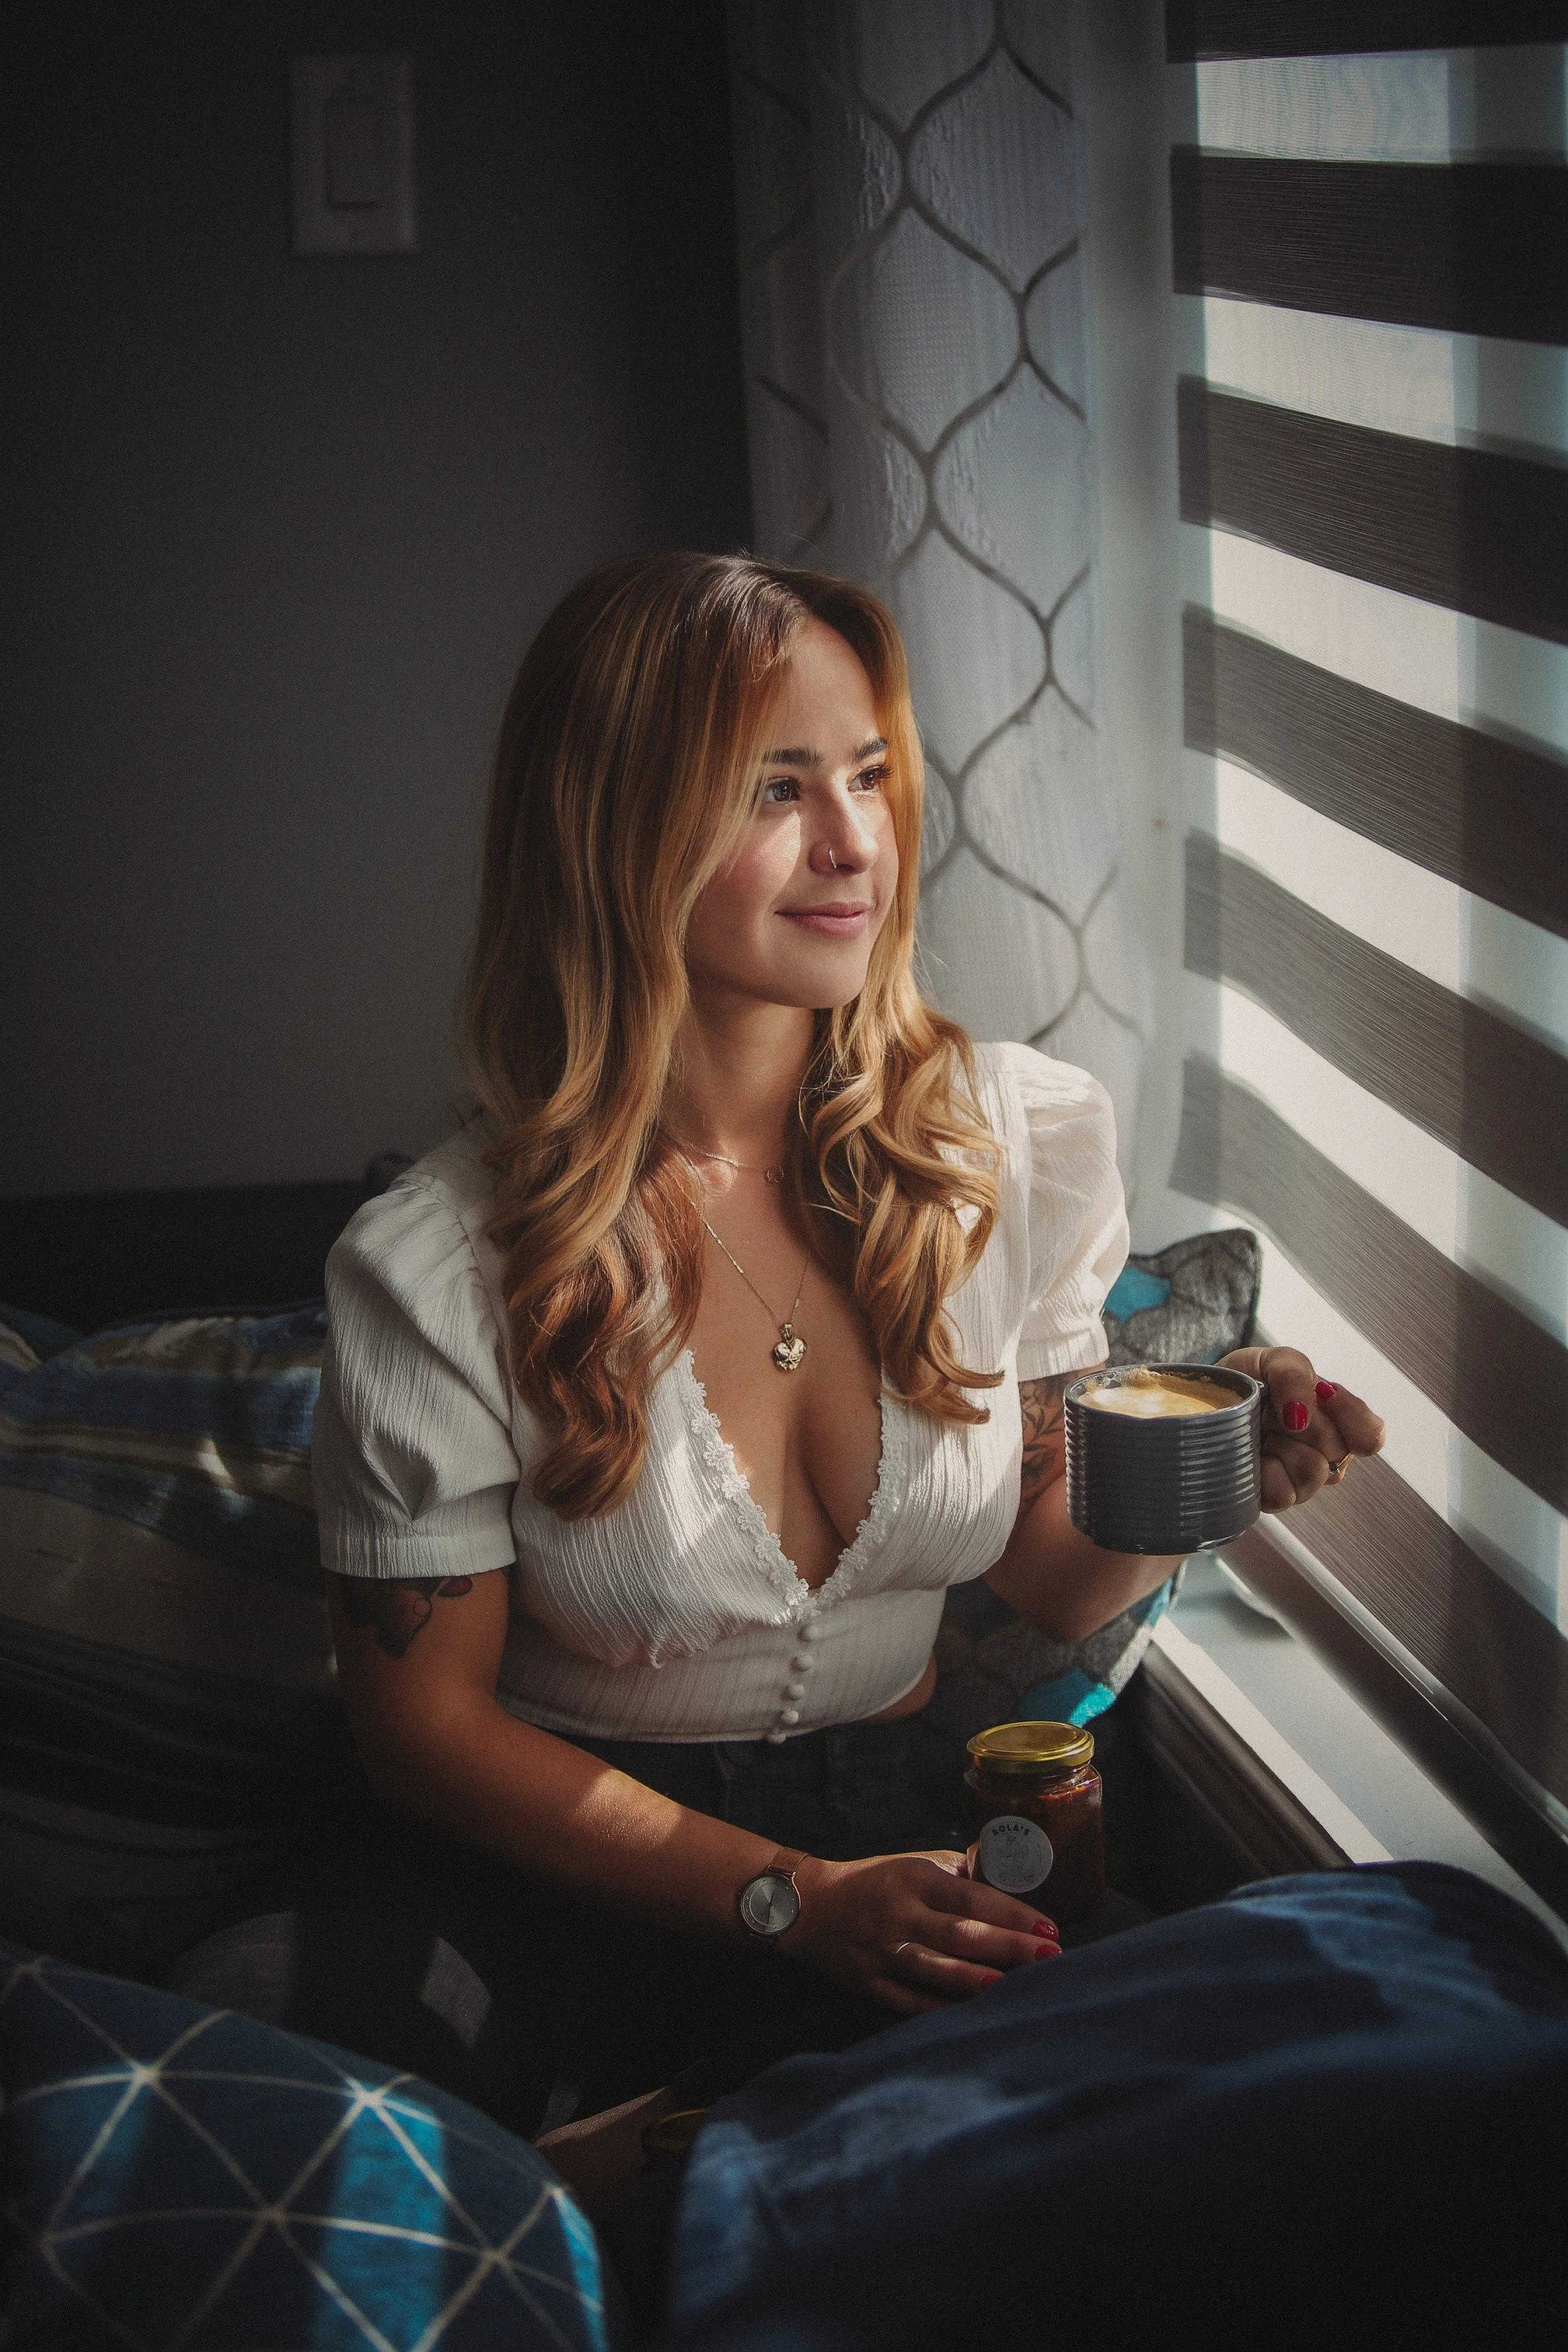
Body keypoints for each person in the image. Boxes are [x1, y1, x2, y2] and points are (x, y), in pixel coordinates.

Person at [290, 553, 1381, 2173]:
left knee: (1267, 2102)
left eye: (869, 774)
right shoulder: (441, 1264)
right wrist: (786, 1899)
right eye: (775, 788)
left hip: (922, 1831)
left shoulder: (1010, 1147)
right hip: (578, 1881)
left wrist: (1209, 1478)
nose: (852, 839)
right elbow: (421, 1729)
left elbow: (1038, 1571)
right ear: (613, 826)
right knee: (422, 2177)